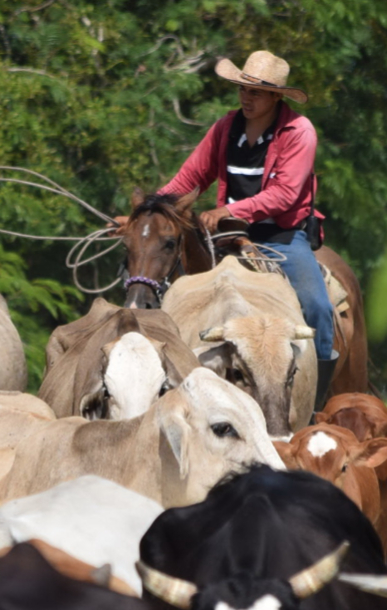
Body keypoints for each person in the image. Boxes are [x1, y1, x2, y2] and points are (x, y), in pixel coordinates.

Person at [157, 51, 337, 404]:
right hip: (224, 236)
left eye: (255, 92)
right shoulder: (226, 127)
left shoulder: (299, 131)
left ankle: (315, 404)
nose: (245, 97)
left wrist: (229, 209)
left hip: (281, 237)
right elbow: (190, 177)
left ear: (275, 96)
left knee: (318, 308)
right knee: (162, 281)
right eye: (241, 88)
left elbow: (285, 195)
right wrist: (151, 211)